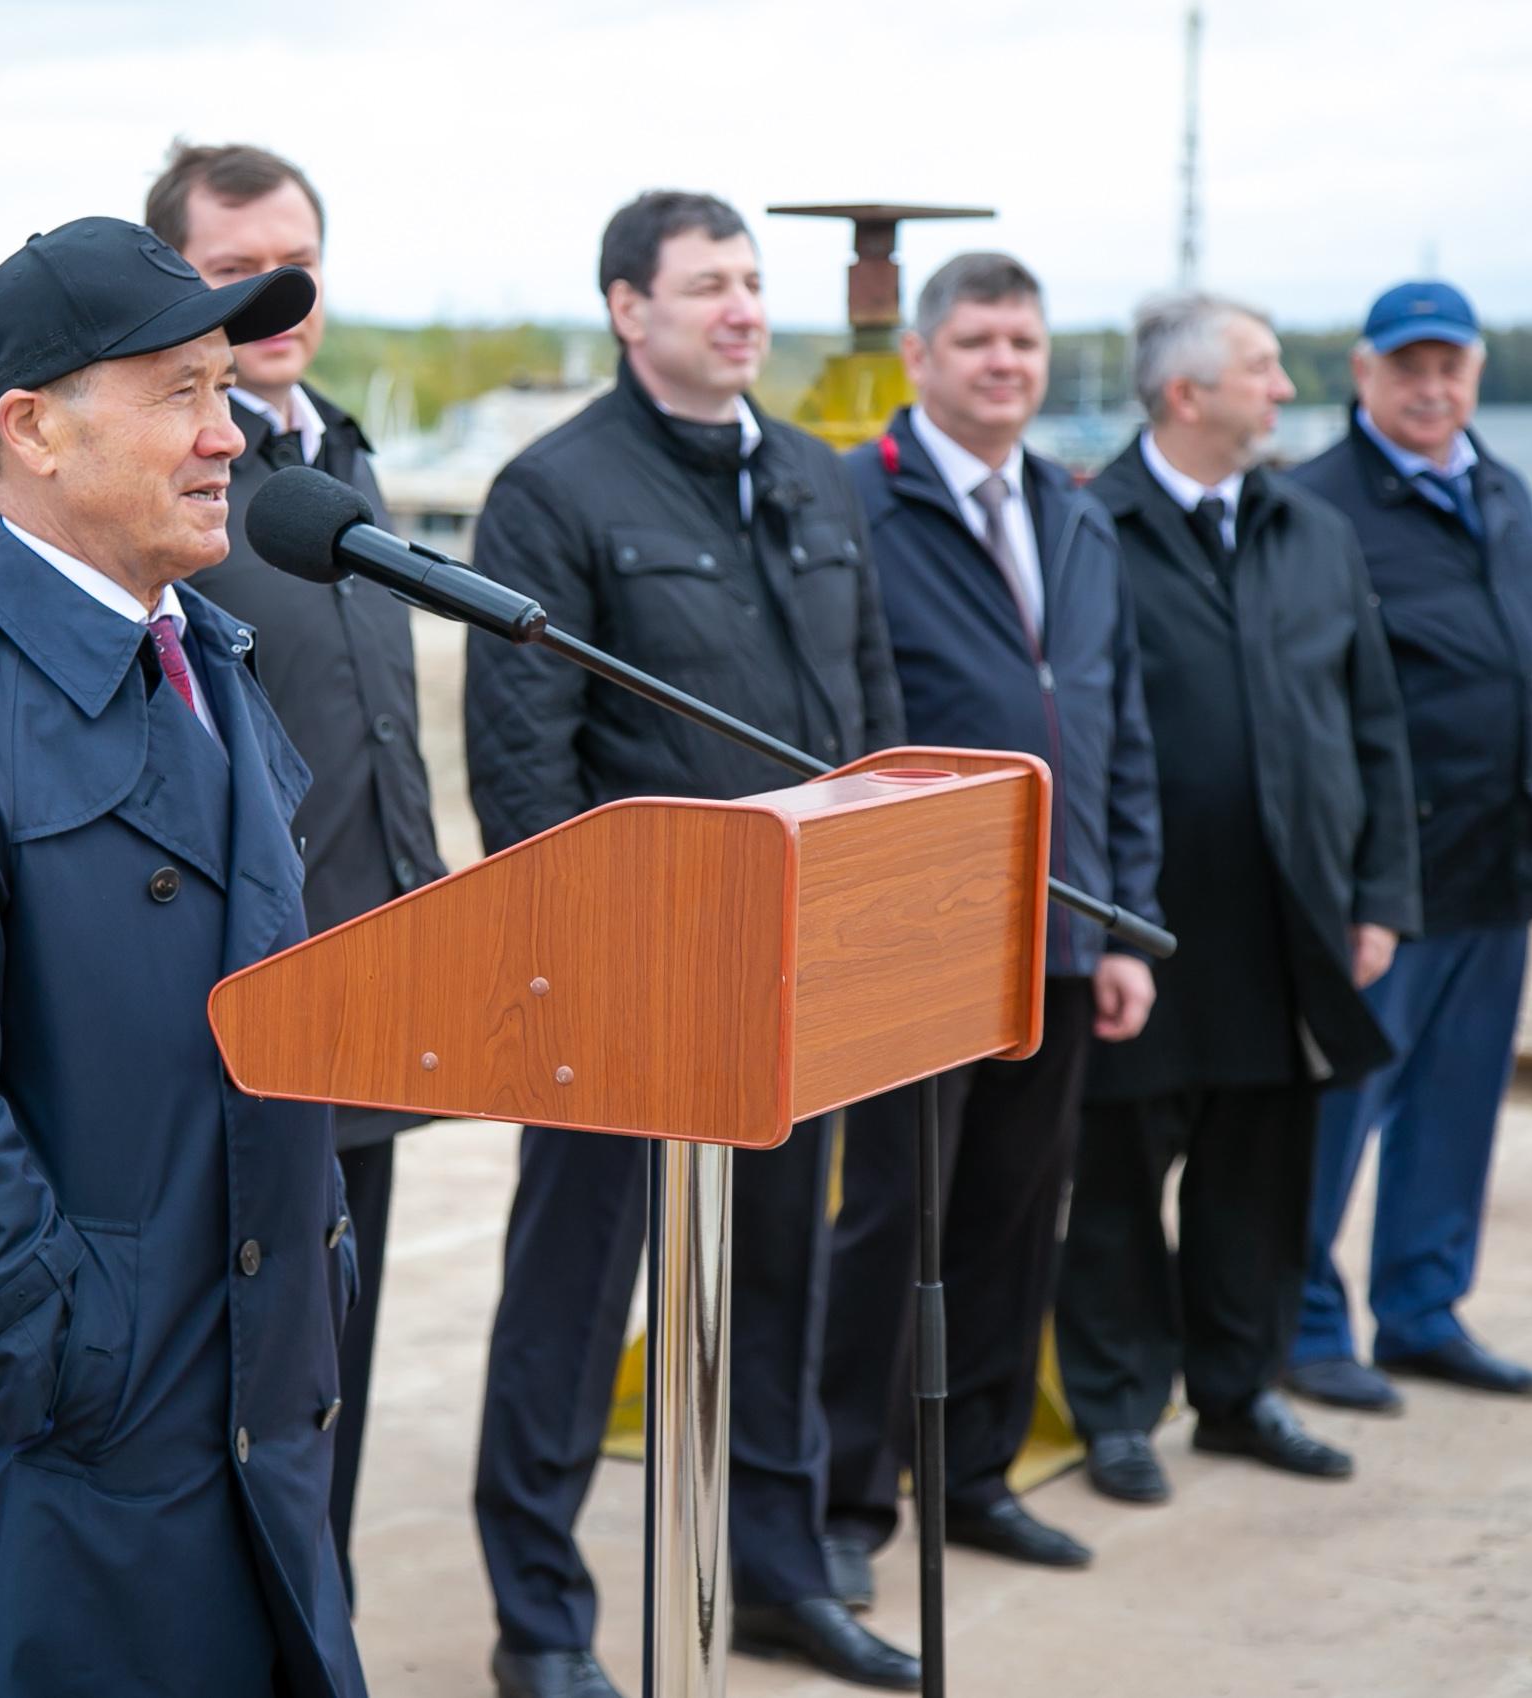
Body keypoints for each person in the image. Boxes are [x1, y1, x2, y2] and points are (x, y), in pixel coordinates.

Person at [0, 218, 364, 1698]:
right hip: (55, 1457)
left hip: (249, 1421)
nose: (225, 435)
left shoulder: (208, 663)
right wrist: (76, 1351)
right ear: (34, 428)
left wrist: (314, 1260)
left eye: (224, 389)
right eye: (179, 390)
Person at [465, 190, 914, 1698]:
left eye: (751, 282)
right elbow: (523, 777)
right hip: (626, 982)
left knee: (776, 1285)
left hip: (797, 964)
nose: (740, 308)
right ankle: (540, 1617)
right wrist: (583, 968)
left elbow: (867, 712)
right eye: (706, 284)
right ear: (624, 307)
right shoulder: (550, 491)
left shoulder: (808, 475)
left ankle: (781, 1572)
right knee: (574, 1301)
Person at [820, 252, 1160, 1590]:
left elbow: (1116, 724)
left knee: (1017, 1216)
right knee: (891, 1223)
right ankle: (846, 1508)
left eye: (1022, 341)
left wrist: (1124, 923)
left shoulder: (1073, 515)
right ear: (916, 355)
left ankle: (972, 1475)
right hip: (917, 931)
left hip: (1064, 928)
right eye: (976, 341)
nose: (1004, 363)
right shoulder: (857, 504)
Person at [1055, 291, 1419, 1506]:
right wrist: (1098, 915)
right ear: (1185, 394)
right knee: (1112, 1185)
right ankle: (1116, 1414)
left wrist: (1378, 899)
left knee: (1258, 1179)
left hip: (1288, 922)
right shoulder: (1084, 528)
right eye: (1261, 369)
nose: (1282, 389)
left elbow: (1372, 721)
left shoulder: (1309, 531)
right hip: (1143, 929)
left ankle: (1240, 1391)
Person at [146, 141, 448, 1589]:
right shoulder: (177, 483)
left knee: (341, 1372)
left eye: (294, 264)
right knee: (233, 1399)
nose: (273, 295)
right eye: (228, 270)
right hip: (244, 1013)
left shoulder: (347, 460)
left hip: (377, 996)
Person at [1282, 281, 1532, 1411]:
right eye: (1407, 367)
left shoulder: (1499, 488)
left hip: (1500, 857)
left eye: (1450, 366)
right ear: (1362, 375)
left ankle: (1423, 1310)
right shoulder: (1315, 506)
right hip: (1384, 881)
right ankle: (1303, 1326)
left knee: (1458, 1102)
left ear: (1476, 372)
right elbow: (1308, 704)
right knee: (1335, 1111)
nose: (1431, 388)